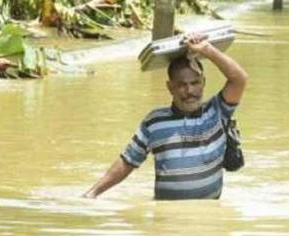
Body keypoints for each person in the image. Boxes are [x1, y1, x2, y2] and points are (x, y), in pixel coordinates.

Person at [82, 32, 248, 200]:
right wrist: (92, 193)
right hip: (165, 218)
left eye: (195, 83)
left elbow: (239, 79)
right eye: (182, 85)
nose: (189, 91)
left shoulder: (217, 111)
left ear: (203, 82)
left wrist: (208, 50)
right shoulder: (154, 121)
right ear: (170, 87)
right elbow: (128, 161)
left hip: (209, 220)